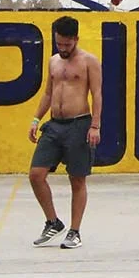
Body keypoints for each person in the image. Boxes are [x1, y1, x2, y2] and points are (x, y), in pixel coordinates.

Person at [28, 15, 103, 250]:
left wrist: (95, 125)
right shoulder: (53, 61)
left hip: (79, 124)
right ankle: (52, 221)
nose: (62, 48)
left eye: (67, 45)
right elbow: (48, 93)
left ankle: (75, 230)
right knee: (36, 174)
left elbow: (97, 94)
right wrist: (36, 118)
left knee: (77, 179)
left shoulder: (89, 61)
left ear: (76, 39)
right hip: (54, 125)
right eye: (59, 43)